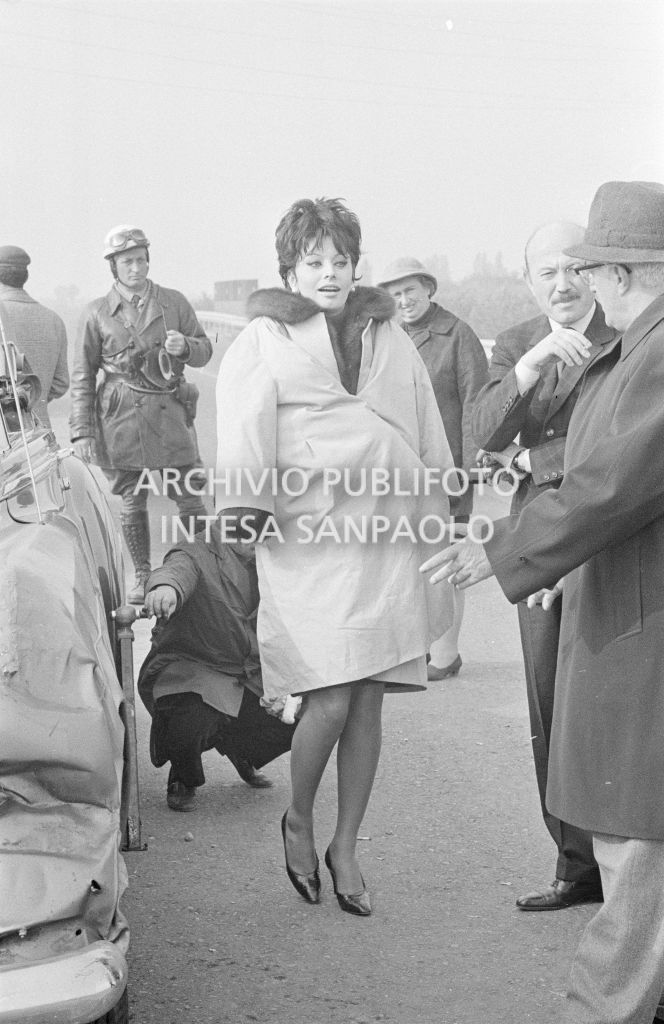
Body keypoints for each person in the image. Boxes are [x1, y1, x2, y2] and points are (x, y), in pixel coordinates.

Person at [422, 180, 664, 1024]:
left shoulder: (653, 352)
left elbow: (608, 485)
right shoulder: (630, 347)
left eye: (587, 269)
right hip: (603, 582)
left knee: (636, 848)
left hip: (634, 614)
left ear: (621, 274)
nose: (578, 285)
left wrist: (500, 550)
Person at [215, 197, 453, 915]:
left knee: (369, 693)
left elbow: (422, 417)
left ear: (355, 266)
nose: (329, 273)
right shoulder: (264, 338)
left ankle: (346, 845)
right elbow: (243, 425)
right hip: (310, 535)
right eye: (313, 261)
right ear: (290, 270)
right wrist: (247, 509)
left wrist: (442, 500)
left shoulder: (388, 333)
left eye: (340, 260)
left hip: (384, 530)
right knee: (330, 693)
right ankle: (299, 817)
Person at [471, 222, 618, 911]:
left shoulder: (625, 334)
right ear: (528, 280)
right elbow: (483, 432)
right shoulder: (516, 342)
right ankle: (575, 864)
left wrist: (532, 458)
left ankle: (630, 869)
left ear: (597, 271)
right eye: (547, 273)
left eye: (574, 269)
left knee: (614, 698)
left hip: (610, 531)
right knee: (547, 697)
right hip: (536, 538)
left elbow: (617, 446)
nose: (563, 285)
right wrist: (529, 367)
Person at [69, 226, 212, 604]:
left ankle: (205, 567)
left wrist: (186, 347)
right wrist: (82, 430)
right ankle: (143, 575)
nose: (135, 268)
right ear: (113, 267)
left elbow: (205, 350)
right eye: (127, 262)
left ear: (149, 261)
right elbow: (83, 375)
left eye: (140, 260)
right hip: (121, 416)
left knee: (190, 497)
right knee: (132, 500)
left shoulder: (173, 302)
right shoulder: (97, 312)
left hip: (170, 411)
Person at [377, 256, 488, 680]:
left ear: (429, 289)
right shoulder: (386, 336)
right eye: (394, 294)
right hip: (401, 470)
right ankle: (420, 647)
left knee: (446, 557)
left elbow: (477, 405)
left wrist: (468, 474)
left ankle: (446, 652)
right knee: (409, 558)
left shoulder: (458, 335)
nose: (403, 300)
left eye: (410, 290)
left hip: (447, 470)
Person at [138, 521, 296, 811]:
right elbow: (175, 572)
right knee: (188, 719)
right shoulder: (196, 550)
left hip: (251, 672)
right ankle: (182, 775)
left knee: (311, 711)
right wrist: (165, 589)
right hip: (196, 666)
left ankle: (241, 749)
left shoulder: (276, 554)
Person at [0, 245, 69, 429]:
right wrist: (35, 399)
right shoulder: (53, 319)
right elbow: (61, 383)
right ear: (25, 275)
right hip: (40, 431)